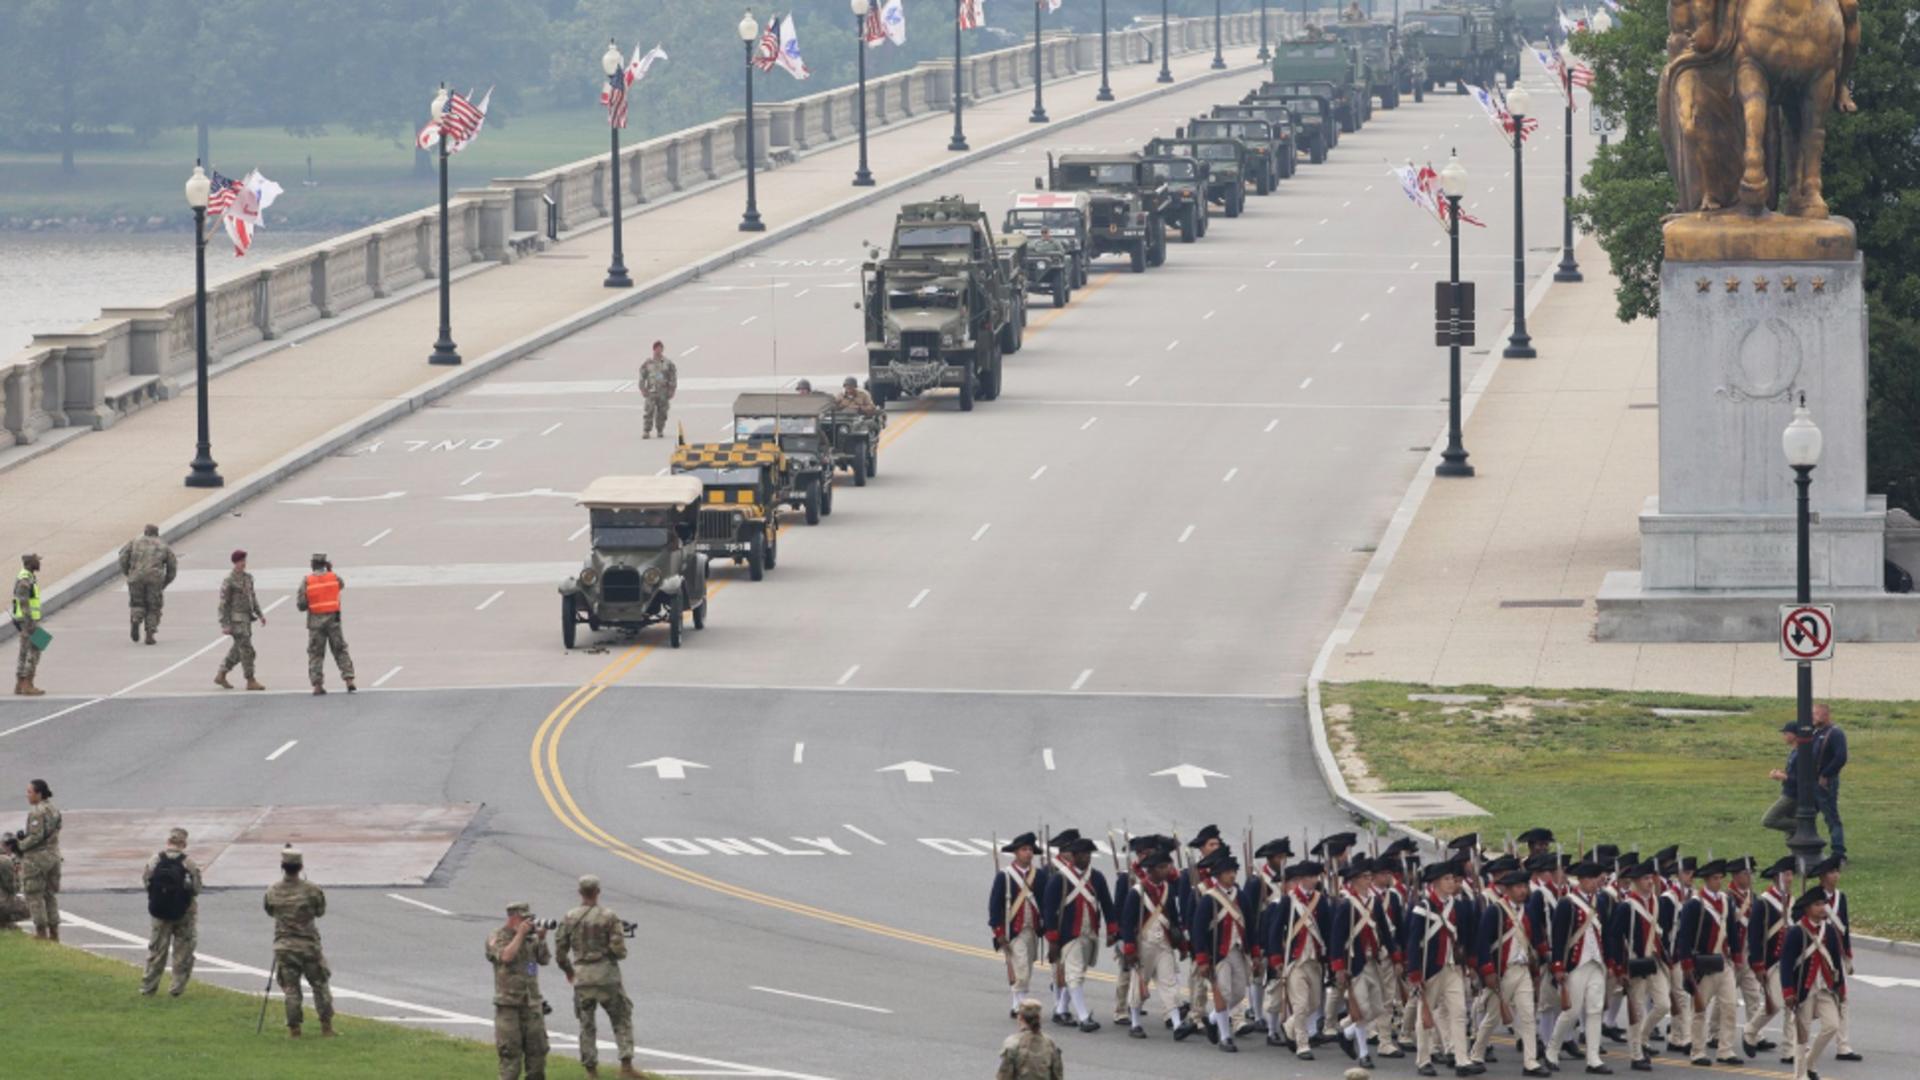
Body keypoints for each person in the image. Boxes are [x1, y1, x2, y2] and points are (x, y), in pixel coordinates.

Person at [555, 875, 640, 1079]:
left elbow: (560, 952)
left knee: (586, 1024)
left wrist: (569, 971)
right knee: (621, 1018)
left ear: (580, 892)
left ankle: (591, 1071)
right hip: (606, 975)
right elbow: (619, 951)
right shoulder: (608, 916)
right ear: (598, 891)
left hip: (582, 977)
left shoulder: (569, 917)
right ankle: (626, 1066)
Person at [1405, 860, 1478, 1078]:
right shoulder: (1423, 908)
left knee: (1459, 1012)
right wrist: (1415, 973)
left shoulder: (1458, 906)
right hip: (1431, 968)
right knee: (1425, 1015)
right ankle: (1423, 1059)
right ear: (1435, 882)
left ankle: (1462, 1060)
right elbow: (1413, 942)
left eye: (1452, 879)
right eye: (1446, 879)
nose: (1451, 883)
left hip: (1453, 967)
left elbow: (1465, 936)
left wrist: (1469, 963)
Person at [1041, 836, 1115, 1033]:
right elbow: (1049, 910)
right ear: (1073, 856)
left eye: (1089, 854)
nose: (1087, 858)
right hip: (1068, 935)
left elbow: (1107, 904)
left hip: (1089, 933)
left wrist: (1112, 930)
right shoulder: (1059, 878)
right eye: (1083, 854)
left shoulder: (1097, 877)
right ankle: (1083, 1017)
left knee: (1078, 973)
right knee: (1074, 975)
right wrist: (1053, 939)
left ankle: (1061, 1008)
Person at [1675, 859, 1744, 1067]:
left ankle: (1725, 1049)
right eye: (1715, 878)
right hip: (1703, 964)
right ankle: (1697, 1051)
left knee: (1730, 1006)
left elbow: (1732, 929)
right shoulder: (1694, 904)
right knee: (1700, 1010)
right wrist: (1687, 964)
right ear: (1706, 880)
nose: (1718, 882)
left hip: (1723, 961)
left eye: (1720, 878)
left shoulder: (1725, 901)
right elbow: (1684, 936)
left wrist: (1738, 954)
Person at [1480, 868, 1547, 1076]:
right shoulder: (1495, 911)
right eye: (1518, 887)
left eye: (1524, 886)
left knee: (1527, 1016)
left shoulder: (1528, 911)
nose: (1523, 890)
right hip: (1503, 971)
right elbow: (1482, 942)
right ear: (1507, 889)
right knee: (1492, 1018)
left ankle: (1530, 1061)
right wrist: (1488, 971)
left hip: (1523, 969)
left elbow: (1536, 937)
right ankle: (1476, 1054)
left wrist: (1546, 957)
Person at [1550, 861, 1615, 1074]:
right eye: (1594, 878)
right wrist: (1558, 966)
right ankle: (1552, 1051)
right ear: (1583, 880)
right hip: (1576, 964)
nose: (1598, 883)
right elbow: (1559, 937)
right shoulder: (1567, 903)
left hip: (1597, 963)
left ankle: (1593, 1058)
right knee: (1571, 1011)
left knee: (1595, 1010)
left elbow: (1607, 934)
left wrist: (1611, 962)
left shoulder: (1601, 902)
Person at [1263, 858, 1331, 1060]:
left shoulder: (1321, 900)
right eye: (1311, 877)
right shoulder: (1288, 900)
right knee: (1300, 1005)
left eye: (1316, 877)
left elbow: (1326, 930)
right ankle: (1302, 1044)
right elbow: (1275, 932)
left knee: (1314, 1003)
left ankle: (1288, 1025)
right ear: (1302, 879)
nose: (1315, 880)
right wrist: (1275, 958)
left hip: (1315, 960)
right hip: (1295, 960)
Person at [265, 844, 333, 1037]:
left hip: (284, 945)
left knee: (291, 989)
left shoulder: (273, 890)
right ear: (301, 867)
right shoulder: (311, 890)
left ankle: (295, 1029)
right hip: (308, 945)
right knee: (320, 985)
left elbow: (270, 910)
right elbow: (320, 911)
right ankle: (326, 1026)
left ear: (282, 866)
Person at [1190, 853, 1256, 1053]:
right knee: (1224, 991)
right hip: (1217, 953)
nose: (1232, 875)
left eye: (1234, 872)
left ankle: (1211, 1019)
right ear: (1218, 875)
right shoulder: (1209, 899)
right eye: (1228, 872)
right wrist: (1202, 958)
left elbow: (1251, 925)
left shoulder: (1241, 896)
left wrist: (1255, 951)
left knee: (1239, 992)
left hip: (1237, 951)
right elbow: (1198, 930)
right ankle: (1225, 1037)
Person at [1780, 887, 1847, 1080]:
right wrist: (1788, 991)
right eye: (1817, 905)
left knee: (1832, 1026)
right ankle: (1799, 1075)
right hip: (1804, 989)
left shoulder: (1830, 932)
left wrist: (1841, 988)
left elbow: (1835, 962)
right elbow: (1786, 964)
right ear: (1807, 908)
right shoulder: (1796, 932)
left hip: (1825, 988)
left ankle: (1810, 1062)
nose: (1822, 908)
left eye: (1823, 904)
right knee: (1802, 1034)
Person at [1117, 847, 1182, 1038]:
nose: (1166, 871)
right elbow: (1127, 922)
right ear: (1151, 870)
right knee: (1139, 983)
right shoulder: (1137, 892)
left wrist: (1182, 943)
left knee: (1169, 983)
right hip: (1143, 943)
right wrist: (1129, 947)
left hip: (1164, 944)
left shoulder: (1168, 889)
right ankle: (1135, 1022)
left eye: (1166, 867)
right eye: (1162, 867)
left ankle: (1177, 1023)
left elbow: (1174, 918)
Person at [1331, 858, 1390, 1069]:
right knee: (1361, 1007)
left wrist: (1395, 955)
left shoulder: (1375, 903)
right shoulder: (1346, 905)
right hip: (1353, 963)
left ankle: (1346, 1033)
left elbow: (1383, 930)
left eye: (1370, 876)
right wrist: (1338, 966)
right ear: (1355, 880)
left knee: (1376, 1008)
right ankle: (1364, 1054)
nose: (1369, 880)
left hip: (1372, 961)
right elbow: (1336, 939)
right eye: (1366, 877)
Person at [489, 900, 552, 1080]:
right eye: (524, 919)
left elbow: (544, 960)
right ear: (513, 918)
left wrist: (541, 938)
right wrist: (520, 935)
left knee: (538, 1055)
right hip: (509, 1006)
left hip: (532, 1005)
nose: (528, 923)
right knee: (510, 1057)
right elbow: (506, 957)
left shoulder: (530, 940)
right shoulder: (498, 936)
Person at [1745, 857, 1799, 1064]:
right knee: (1779, 1004)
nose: (1790, 878)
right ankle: (1751, 1031)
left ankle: (1788, 1048)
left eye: (1791, 874)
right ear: (1777, 877)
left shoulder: (1792, 901)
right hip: (1772, 961)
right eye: (1786, 874)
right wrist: (1757, 964)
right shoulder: (1764, 903)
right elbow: (1755, 937)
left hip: (1790, 961)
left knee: (1787, 1004)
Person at [1810, 856, 1861, 1062]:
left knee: (1842, 998)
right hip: (1817, 954)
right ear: (1822, 876)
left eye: (1837, 872)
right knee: (1810, 1002)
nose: (1836, 876)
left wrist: (1847, 955)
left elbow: (1844, 927)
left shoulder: (1841, 897)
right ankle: (1798, 1044)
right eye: (1832, 872)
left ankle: (1843, 1045)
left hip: (1835, 955)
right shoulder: (1813, 898)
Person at [141, 827, 202, 997]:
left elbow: (146, 882)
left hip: (159, 914)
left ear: (168, 841)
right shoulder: (189, 863)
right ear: (184, 843)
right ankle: (176, 989)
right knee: (183, 952)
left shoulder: (154, 860)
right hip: (185, 914)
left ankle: (148, 988)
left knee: (156, 952)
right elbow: (196, 888)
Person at [990, 832, 1045, 1017]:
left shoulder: (1039, 875)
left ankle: (1016, 1004)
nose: (1028, 853)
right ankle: (1021, 1007)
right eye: (1024, 849)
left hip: (1032, 930)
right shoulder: (1004, 876)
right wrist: (998, 932)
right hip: (1013, 930)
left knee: (1026, 968)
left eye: (1030, 850)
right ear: (1016, 852)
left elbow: (1044, 902)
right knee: (1020, 969)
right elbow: (995, 906)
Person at [296, 554, 355, 695]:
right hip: (333, 622)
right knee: (340, 650)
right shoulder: (334, 577)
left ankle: (317, 685)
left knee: (316, 654)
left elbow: (301, 605)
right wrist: (329, 571)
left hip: (316, 624)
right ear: (325, 564)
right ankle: (349, 680)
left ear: (312, 565)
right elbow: (341, 585)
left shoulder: (307, 581)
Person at [117, 524, 177, 645]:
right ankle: (150, 634)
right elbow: (172, 567)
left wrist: (128, 572)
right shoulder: (163, 546)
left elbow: (122, 556)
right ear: (157, 533)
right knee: (153, 606)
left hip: (136, 577)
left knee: (137, 602)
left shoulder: (134, 542)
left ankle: (136, 619)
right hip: (155, 579)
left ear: (145, 532)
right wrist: (165, 582)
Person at [215, 549, 266, 691]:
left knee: (239, 650)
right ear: (235, 562)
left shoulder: (248, 578)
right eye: (241, 561)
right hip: (236, 620)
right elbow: (223, 603)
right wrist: (224, 624)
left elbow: (252, 597)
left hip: (247, 620)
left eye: (244, 560)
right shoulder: (229, 580)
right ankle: (250, 680)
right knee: (247, 651)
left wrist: (260, 614)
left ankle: (222, 673)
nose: (244, 563)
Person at [20, 778, 60, 941]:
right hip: (53, 856)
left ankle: (41, 932)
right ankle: (54, 931)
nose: (27, 795)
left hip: (37, 859)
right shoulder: (54, 809)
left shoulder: (37, 812)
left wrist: (20, 845)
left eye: (30, 792)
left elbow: (36, 836)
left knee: (34, 894)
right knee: (50, 895)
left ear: (39, 793)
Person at [1811, 704, 1847, 859]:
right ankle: (1812, 847)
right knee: (1808, 815)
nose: (1813, 717)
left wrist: (1825, 774)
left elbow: (1841, 757)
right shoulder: (1816, 732)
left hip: (1826, 781)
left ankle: (1839, 853)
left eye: (1815, 714)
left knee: (1831, 816)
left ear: (1825, 715)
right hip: (1813, 781)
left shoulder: (1835, 733)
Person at [997, 998, 1064, 1080]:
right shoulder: (1049, 1043)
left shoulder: (1012, 1043)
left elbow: (1004, 1075)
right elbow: (1057, 1075)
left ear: (1020, 1018)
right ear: (1039, 1018)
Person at [1763, 721, 1803, 836]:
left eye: (1786, 733)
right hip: (1789, 792)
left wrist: (1784, 777)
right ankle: (1794, 853)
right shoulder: (1794, 752)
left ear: (1794, 735)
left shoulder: (1802, 753)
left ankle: (1805, 825)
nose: (1783, 736)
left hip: (1792, 795)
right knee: (1790, 833)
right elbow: (1794, 773)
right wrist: (1780, 774)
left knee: (1769, 820)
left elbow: (1803, 779)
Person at [13, 552, 45, 696]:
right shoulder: (25, 579)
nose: (39, 563)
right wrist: (30, 623)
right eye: (37, 561)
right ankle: (27, 684)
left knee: (25, 650)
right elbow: (24, 602)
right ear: (30, 564)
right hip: (28, 621)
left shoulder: (28, 577)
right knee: (35, 649)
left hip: (26, 620)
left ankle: (20, 684)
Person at [638, 341, 677, 440]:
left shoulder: (668, 363)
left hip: (663, 392)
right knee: (649, 411)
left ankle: (660, 430)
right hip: (651, 391)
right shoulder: (648, 363)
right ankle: (646, 431)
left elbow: (673, 376)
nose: (659, 350)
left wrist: (672, 389)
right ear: (654, 349)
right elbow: (642, 376)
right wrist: (642, 388)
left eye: (661, 348)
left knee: (662, 412)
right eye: (657, 348)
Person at [0, 834, 29, 930]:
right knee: (30, 905)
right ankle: (4, 923)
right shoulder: (4, 861)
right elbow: (12, 888)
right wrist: (17, 875)